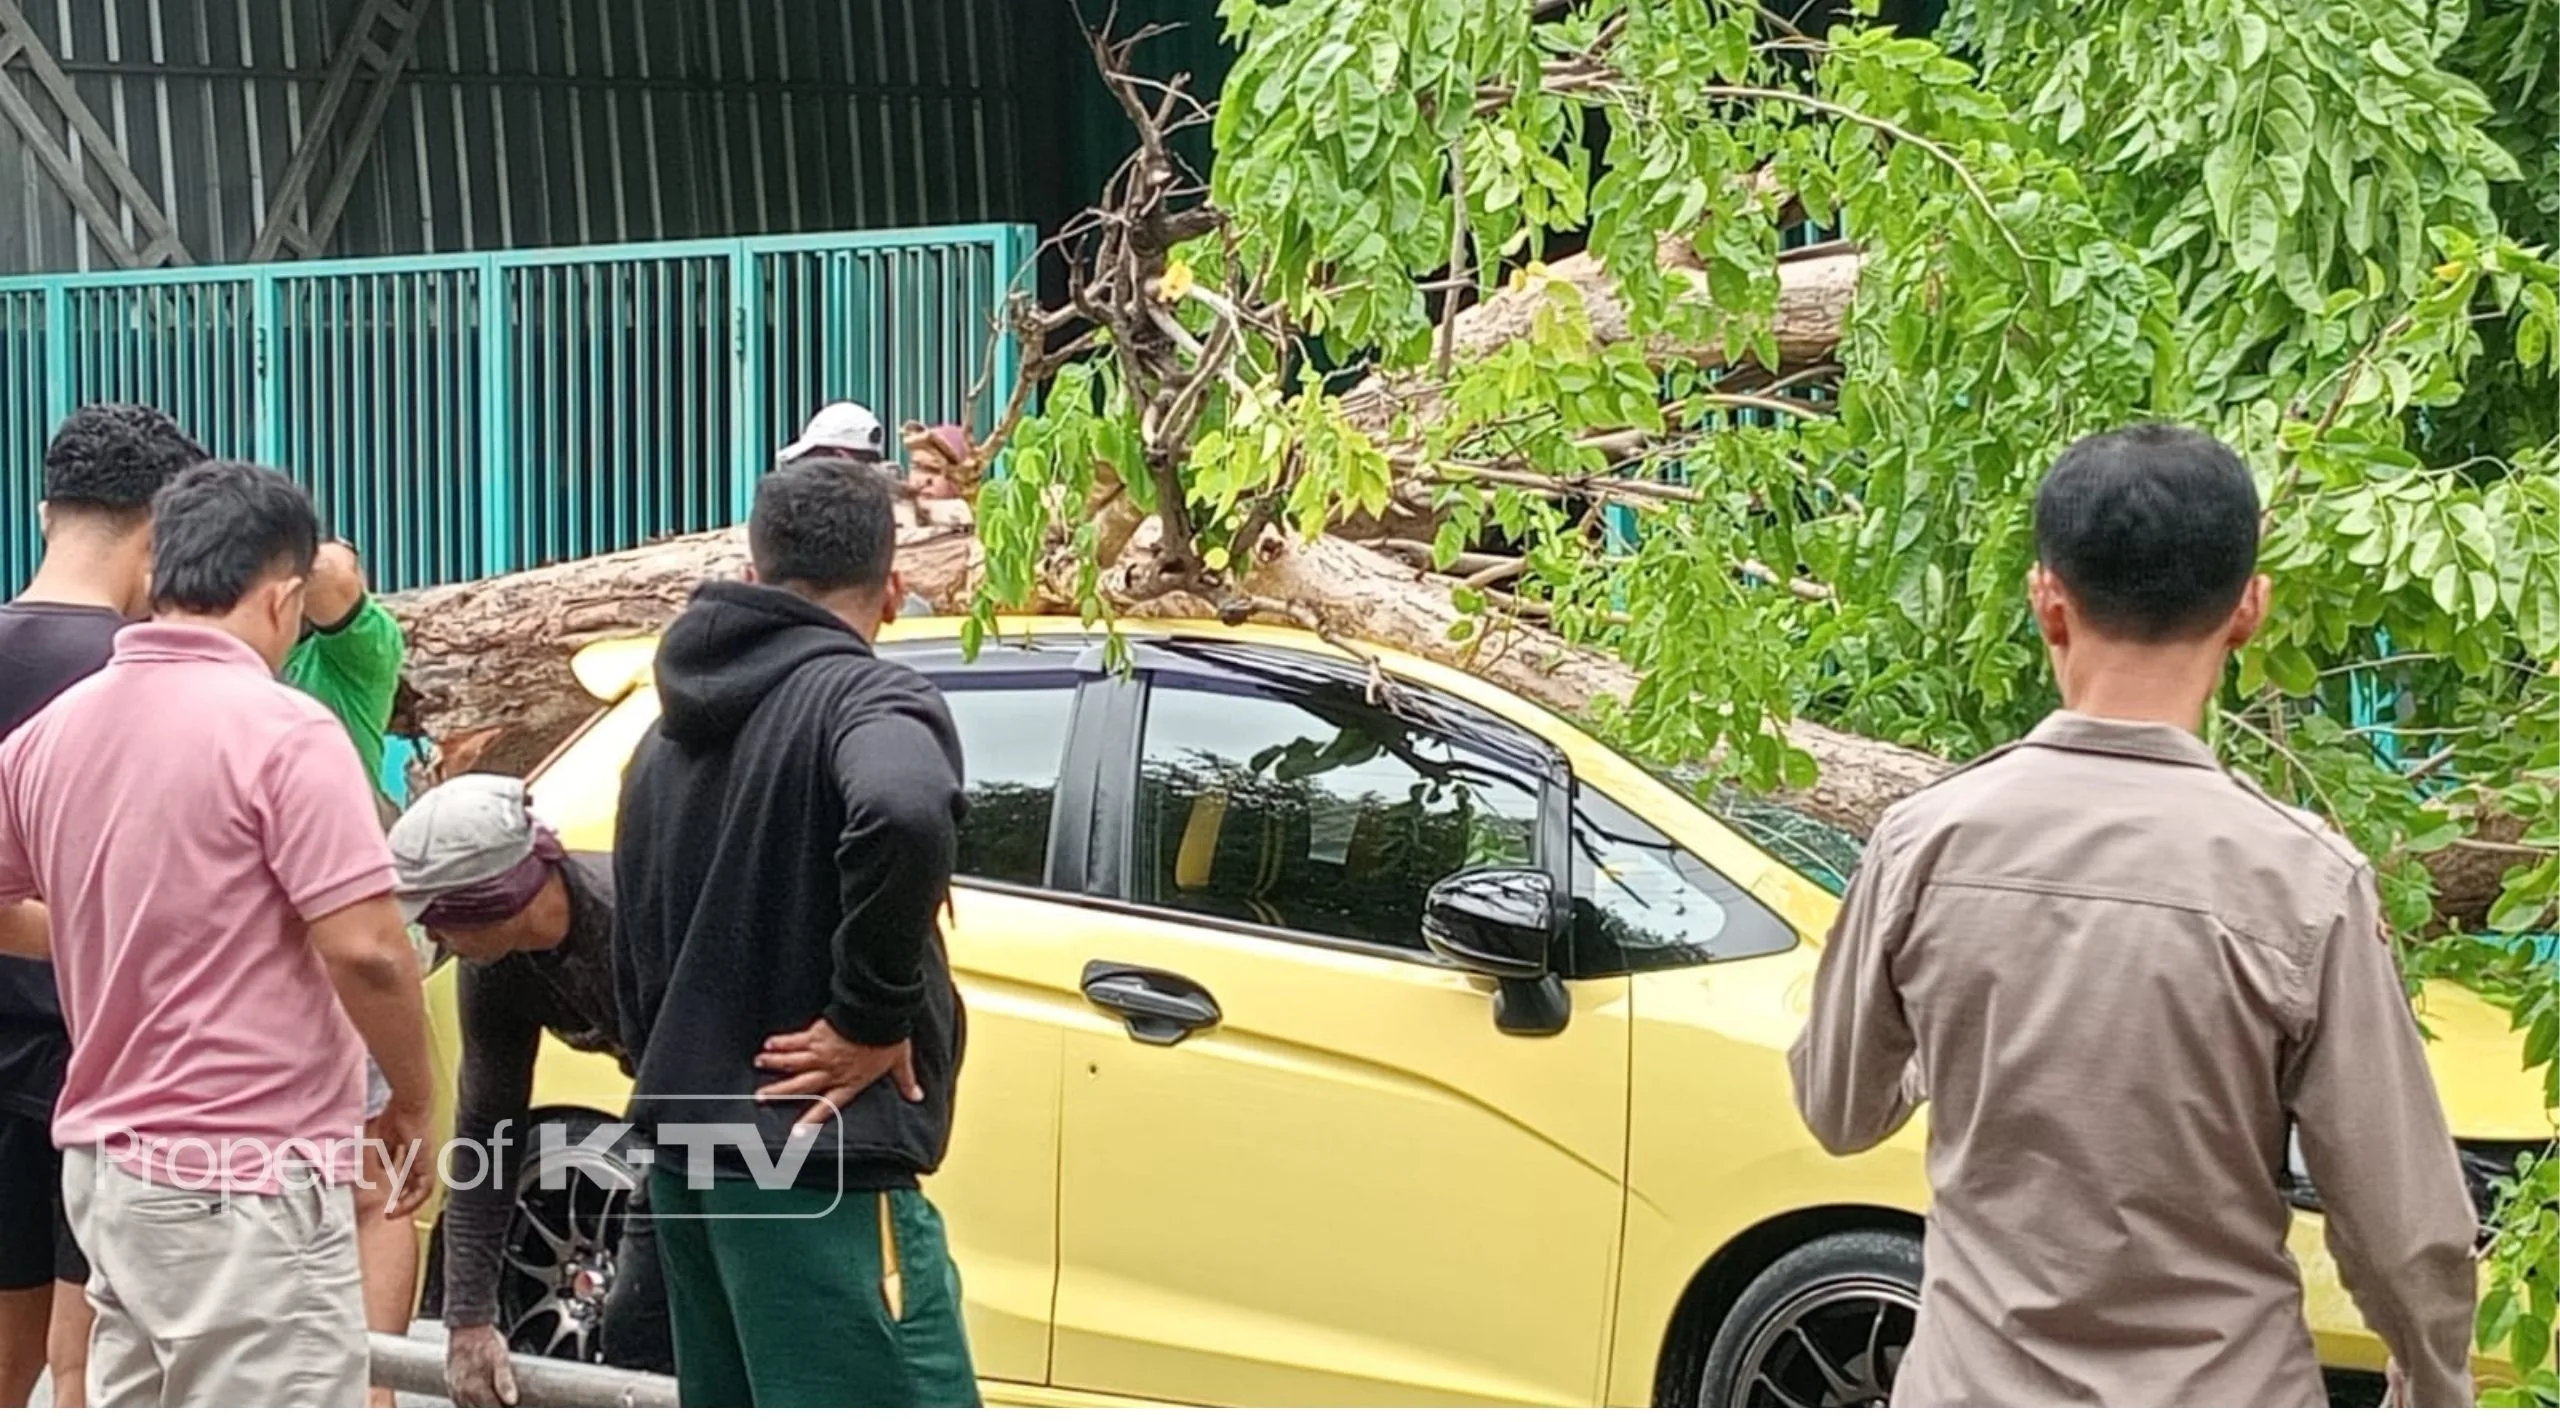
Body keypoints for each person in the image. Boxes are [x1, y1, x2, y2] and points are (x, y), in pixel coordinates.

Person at [1788, 424, 2478, 1407]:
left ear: (2046, 603)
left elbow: (1837, 1111)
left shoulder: (1923, 847)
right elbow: (2409, 1232)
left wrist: (1948, 1040)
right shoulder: (2304, 883)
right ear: (2247, 610)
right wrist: (2432, 1385)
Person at [0, 461, 439, 1407]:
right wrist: (412, 1095)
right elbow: (364, 946)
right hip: (248, 1183)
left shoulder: (49, 732)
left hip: (110, 1176)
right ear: (282, 600)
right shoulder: (284, 731)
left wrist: (96, 932)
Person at [612, 460, 974, 1406]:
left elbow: (636, 957)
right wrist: (872, 1013)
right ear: (893, 590)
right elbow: (905, 808)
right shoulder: (867, 700)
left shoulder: (660, 742)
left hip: (693, 1172)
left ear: (752, 570)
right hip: (818, 1172)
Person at [0, 404, 204, 1408]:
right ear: (163, 528)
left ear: (46, 510)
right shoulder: (150, 679)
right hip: (108, 1069)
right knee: (92, 1373)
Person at [388, 774, 672, 1404]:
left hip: (748, 1106)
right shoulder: (495, 966)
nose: (431, 938)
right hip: (679, 1110)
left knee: (667, 1322)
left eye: (436, 917)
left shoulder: (633, 918)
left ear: (489, 898)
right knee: (637, 1333)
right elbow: (489, 1132)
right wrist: (468, 1318)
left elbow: (689, 1095)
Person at [278, 534, 415, 1406]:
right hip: (244, 975)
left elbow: (333, 575)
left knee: (376, 1186)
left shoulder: (351, 661)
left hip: (334, 959)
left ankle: (376, 1392)